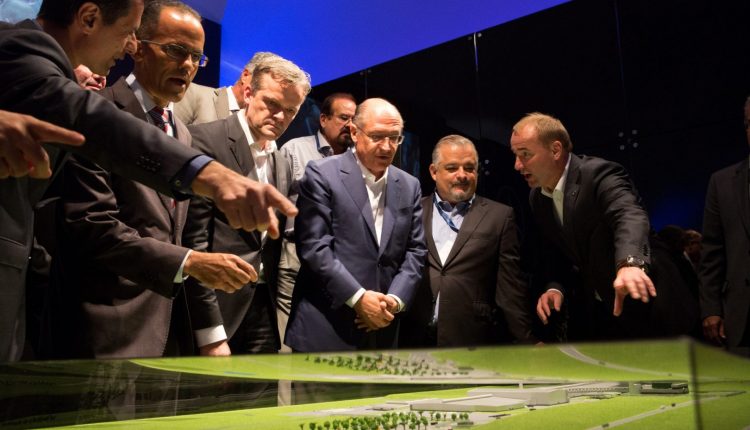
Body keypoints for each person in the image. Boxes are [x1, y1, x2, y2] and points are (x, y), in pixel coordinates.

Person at [0, 0, 294, 362]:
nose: (128, 45)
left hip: (165, 332)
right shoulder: (29, 50)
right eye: (128, 33)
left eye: (196, 57)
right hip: (98, 331)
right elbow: (91, 134)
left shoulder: (182, 133)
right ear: (89, 18)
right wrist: (208, 174)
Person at [184, 53, 309, 355]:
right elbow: (193, 242)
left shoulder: (281, 161)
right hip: (213, 310)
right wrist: (210, 333)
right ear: (249, 92)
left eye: (290, 111)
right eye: (272, 104)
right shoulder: (204, 140)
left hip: (263, 308)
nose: (280, 117)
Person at [285, 98, 427, 352]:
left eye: (394, 138)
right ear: (354, 132)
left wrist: (393, 301)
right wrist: (359, 298)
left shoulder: (409, 185)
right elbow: (315, 247)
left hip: (383, 327)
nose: (387, 147)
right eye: (377, 136)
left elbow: (415, 250)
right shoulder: (322, 173)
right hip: (326, 328)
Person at [510, 112, 656, 341]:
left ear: (555, 150)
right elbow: (557, 251)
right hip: (600, 314)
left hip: (648, 304)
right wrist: (555, 287)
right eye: (516, 155)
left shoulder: (598, 174)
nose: (517, 165)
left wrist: (630, 263)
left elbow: (628, 215)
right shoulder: (537, 198)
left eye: (525, 154)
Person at [400, 135, 535, 347]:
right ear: (434, 172)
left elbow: (510, 288)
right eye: (452, 168)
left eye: (470, 168)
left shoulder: (499, 216)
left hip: (471, 338)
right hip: (413, 336)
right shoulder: (412, 211)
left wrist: (526, 339)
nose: (462, 175)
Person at [275, 92, 356, 349]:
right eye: (343, 118)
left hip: (339, 259)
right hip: (295, 253)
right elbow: (276, 203)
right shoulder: (295, 150)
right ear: (323, 119)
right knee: (288, 335)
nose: (350, 125)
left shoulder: (358, 161)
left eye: (354, 119)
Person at [700, 96, 750, 356]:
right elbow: (712, 251)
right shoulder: (722, 183)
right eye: (749, 124)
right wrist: (711, 309)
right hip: (743, 314)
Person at [174, 52, 275, 125]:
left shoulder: (258, 125)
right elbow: (171, 138)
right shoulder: (195, 94)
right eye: (263, 86)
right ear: (245, 75)